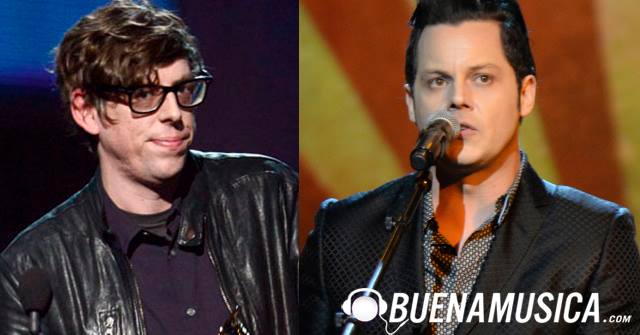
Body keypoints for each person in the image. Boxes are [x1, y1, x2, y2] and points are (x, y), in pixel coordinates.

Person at [300, 0, 640, 334]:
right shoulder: (343, 232)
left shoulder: (595, 239)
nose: (457, 97)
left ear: (526, 94)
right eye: (437, 80)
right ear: (410, 103)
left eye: (482, 78)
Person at [0, 1, 298, 334]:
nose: (175, 113)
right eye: (144, 94)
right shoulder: (33, 267)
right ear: (85, 110)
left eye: (183, 90)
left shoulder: (267, 197)